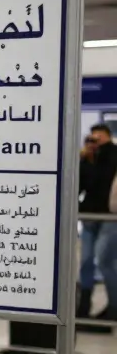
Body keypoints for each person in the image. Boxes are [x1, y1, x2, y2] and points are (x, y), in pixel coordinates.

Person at [81, 124, 117, 326]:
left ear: (108, 137)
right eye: (92, 138)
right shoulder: (89, 158)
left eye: (99, 138)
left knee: (105, 259)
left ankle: (114, 307)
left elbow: (106, 178)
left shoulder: (113, 155)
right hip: (89, 214)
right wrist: (86, 159)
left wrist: (103, 151)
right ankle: (83, 305)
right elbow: (83, 184)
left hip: (111, 215)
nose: (95, 142)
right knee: (85, 261)